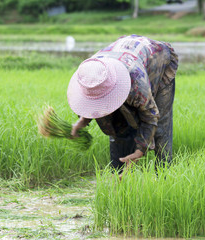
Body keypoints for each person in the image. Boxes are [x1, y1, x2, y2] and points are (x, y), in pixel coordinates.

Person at [67, 35, 178, 173]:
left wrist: (140, 151)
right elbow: (95, 99)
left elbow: (151, 115)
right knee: (118, 125)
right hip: (121, 57)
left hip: (156, 58)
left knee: (161, 128)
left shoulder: (135, 81)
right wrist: (83, 120)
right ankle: (120, 177)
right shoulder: (89, 73)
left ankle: (164, 176)